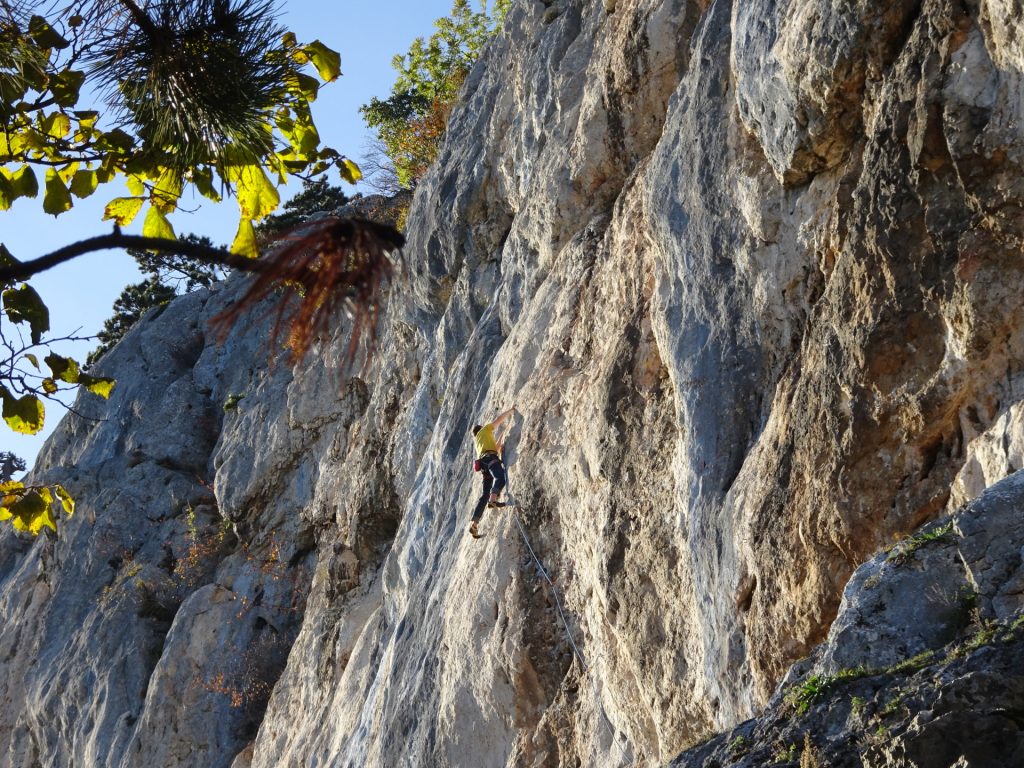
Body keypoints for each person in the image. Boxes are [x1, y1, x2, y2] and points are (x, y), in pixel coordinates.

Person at [468, 406, 515, 538]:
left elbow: (496, 447)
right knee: (500, 478)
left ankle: (475, 523)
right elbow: (498, 420)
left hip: (484, 464)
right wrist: (510, 412)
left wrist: (504, 433)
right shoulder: (484, 430)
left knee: (484, 495)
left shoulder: (479, 443)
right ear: (481, 429)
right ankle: (493, 500)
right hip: (490, 459)